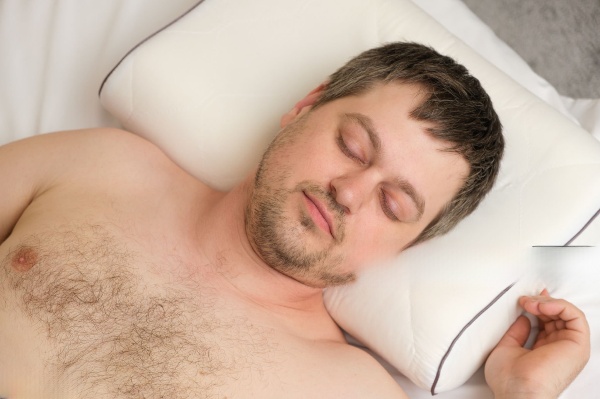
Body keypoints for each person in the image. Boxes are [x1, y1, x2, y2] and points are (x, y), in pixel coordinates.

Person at [0, 42, 589, 398]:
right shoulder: (102, 166)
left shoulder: (345, 388)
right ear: (305, 107)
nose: (350, 192)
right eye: (354, 147)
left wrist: (526, 394)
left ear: (408, 246)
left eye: (393, 205)